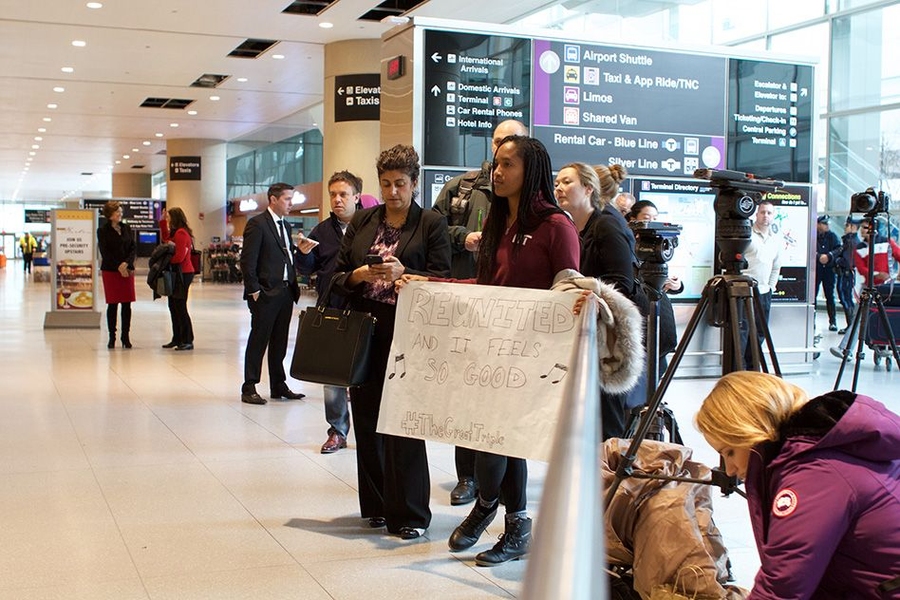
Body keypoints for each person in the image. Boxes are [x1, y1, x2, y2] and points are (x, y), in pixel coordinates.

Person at [405, 136, 581, 565]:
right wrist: (431, 285)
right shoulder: (500, 224)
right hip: (491, 349)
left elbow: (570, 290)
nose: (497, 173)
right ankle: (490, 508)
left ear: (530, 170)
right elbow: (486, 287)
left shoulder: (556, 226)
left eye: (507, 165)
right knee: (485, 435)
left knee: (504, 438)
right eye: (496, 164)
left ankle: (511, 521)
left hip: (532, 357)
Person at [332, 144, 451, 540]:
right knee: (366, 418)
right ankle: (377, 506)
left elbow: (442, 279)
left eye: (400, 183)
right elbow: (337, 275)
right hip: (365, 328)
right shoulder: (363, 220)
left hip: (408, 332)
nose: (393, 191)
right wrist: (359, 275)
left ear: (414, 183)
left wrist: (406, 273)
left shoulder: (431, 223)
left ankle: (411, 514)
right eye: (386, 184)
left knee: (404, 420)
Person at [695, 371, 900, 598]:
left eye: (730, 452)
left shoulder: (814, 476)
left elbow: (781, 588)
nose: (729, 470)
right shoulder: (825, 448)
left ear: (750, 430)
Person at [431, 118, 528, 506]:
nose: (504, 153)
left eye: (514, 144)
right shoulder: (462, 187)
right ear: (491, 145)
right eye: (500, 143)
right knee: (464, 394)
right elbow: (433, 228)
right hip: (466, 307)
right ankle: (467, 476)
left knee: (504, 402)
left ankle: (505, 488)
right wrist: (462, 237)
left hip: (510, 320)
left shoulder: (534, 206)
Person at [555, 162, 648, 439]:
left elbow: (622, 282)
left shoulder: (606, 225)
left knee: (607, 419)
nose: (559, 188)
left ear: (588, 188)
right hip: (591, 331)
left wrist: (591, 295)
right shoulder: (576, 227)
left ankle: (610, 466)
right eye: (557, 183)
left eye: (567, 182)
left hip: (612, 336)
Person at [296, 170, 362, 454]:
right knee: (331, 377)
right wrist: (303, 254)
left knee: (366, 374)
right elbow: (307, 269)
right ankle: (337, 430)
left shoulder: (371, 226)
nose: (337, 200)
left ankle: (370, 432)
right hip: (332, 307)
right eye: (333, 194)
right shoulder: (322, 231)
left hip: (364, 308)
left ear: (357, 197)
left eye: (343, 194)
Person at [239, 182, 306, 405]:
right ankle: (249, 386)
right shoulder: (257, 224)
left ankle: (278, 384)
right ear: (273, 199)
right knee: (259, 339)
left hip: (285, 291)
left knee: (280, 340)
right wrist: (254, 290)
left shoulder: (285, 225)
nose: (291, 203)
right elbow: (248, 261)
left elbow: (284, 256)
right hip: (265, 293)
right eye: (287, 199)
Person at [741, 200, 782, 370]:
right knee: (742, 331)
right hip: (744, 291)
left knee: (759, 332)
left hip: (764, 293)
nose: (766, 216)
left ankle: (753, 369)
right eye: (763, 212)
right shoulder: (747, 235)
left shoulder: (776, 240)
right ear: (756, 214)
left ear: (773, 216)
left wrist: (770, 287)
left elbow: (776, 266)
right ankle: (739, 368)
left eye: (769, 213)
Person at [96, 201, 136, 349]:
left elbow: (133, 248)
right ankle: (112, 336)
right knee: (112, 304)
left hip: (127, 270)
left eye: (120, 211)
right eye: (117, 212)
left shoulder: (126, 228)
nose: (120, 214)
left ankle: (125, 336)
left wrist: (126, 263)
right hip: (111, 270)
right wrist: (118, 266)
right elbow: (105, 252)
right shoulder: (102, 231)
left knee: (127, 304)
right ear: (110, 215)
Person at [162, 207, 196, 351]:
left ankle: (187, 339)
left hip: (183, 273)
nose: (167, 219)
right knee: (173, 306)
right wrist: (162, 222)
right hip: (177, 273)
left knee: (180, 306)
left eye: (168, 217)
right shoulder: (176, 232)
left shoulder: (181, 233)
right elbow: (166, 239)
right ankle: (177, 338)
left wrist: (166, 260)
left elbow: (180, 256)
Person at [833, 216, 861, 333]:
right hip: (846, 274)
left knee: (846, 299)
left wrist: (837, 260)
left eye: (847, 225)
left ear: (853, 227)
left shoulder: (851, 242)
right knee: (845, 298)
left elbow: (848, 261)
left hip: (846, 274)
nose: (845, 228)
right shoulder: (849, 241)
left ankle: (851, 326)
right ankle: (850, 325)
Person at [815, 215, 842, 332]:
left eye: (827, 224)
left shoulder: (832, 236)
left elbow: (839, 249)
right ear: (818, 224)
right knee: (813, 295)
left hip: (829, 270)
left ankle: (833, 321)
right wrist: (818, 256)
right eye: (824, 224)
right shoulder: (813, 236)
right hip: (816, 269)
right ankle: (812, 320)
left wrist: (829, 256)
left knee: (830, 295)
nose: (827, 226)